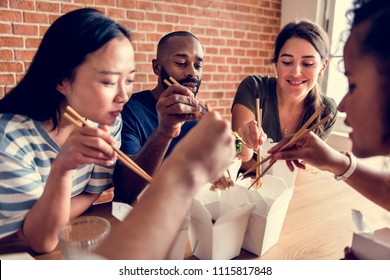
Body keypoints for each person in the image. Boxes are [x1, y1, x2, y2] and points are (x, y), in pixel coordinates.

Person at [0, 8, 235, 258]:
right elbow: (42, 241)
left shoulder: (107, 123)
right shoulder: (10, 139)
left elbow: (93, 192)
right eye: (109, 82)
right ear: (61, 80)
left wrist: (47, 218)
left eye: (129, 80)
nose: (123, 96)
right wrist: (63, 169)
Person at [267, 0, 390, 258]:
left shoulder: (326, 110)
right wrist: (336, 162)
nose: (343, 105)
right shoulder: (256, 88)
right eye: (286, 61)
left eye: (353, 84)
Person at [232, 19, 338, 171]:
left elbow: (306, 168)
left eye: (307, 64)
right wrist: (242, 142)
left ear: (323, 67)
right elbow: (238, 153)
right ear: (276, 64)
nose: (296, 73)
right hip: (247, 186)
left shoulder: (326, 111)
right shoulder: (252, 88)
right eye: (287, 62)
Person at [114, 31, 204, 204]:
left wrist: (239, 144)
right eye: (181, 63)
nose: (192, 73)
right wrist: (165, 131)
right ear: (157, 67)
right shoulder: (129, 109)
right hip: (137, 216)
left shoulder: (201, 115)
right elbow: (127, 189)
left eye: (198, 66)